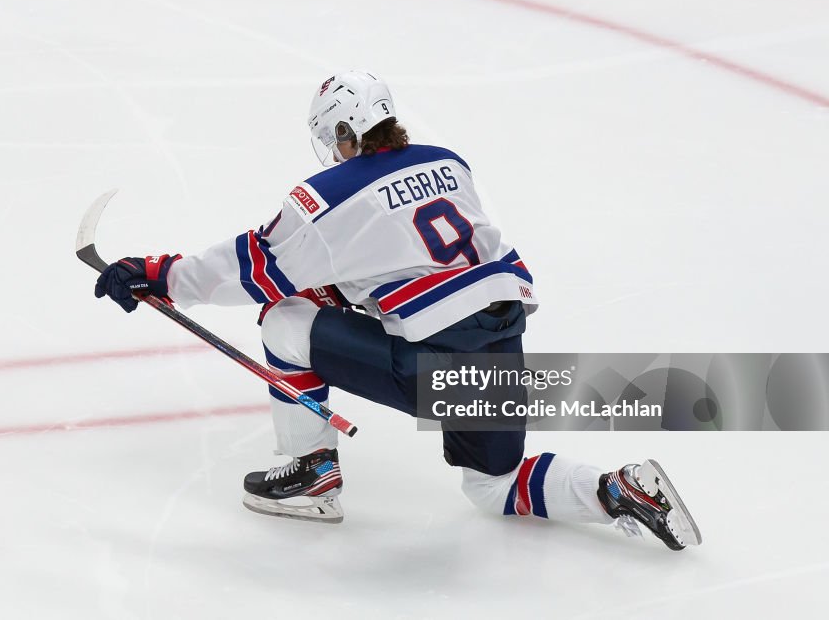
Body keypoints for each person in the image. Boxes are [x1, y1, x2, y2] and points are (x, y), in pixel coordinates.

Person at [93, 70, 701, 550]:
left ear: (342, 134)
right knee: (495, 486)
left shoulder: (327, 197)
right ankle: (618, 489)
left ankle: (312, 475)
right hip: (502, 347)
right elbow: (408, 259)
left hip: (431, 364)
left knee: (284, 320)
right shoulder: (447, 162)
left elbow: (251, 268)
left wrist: (157, 275)